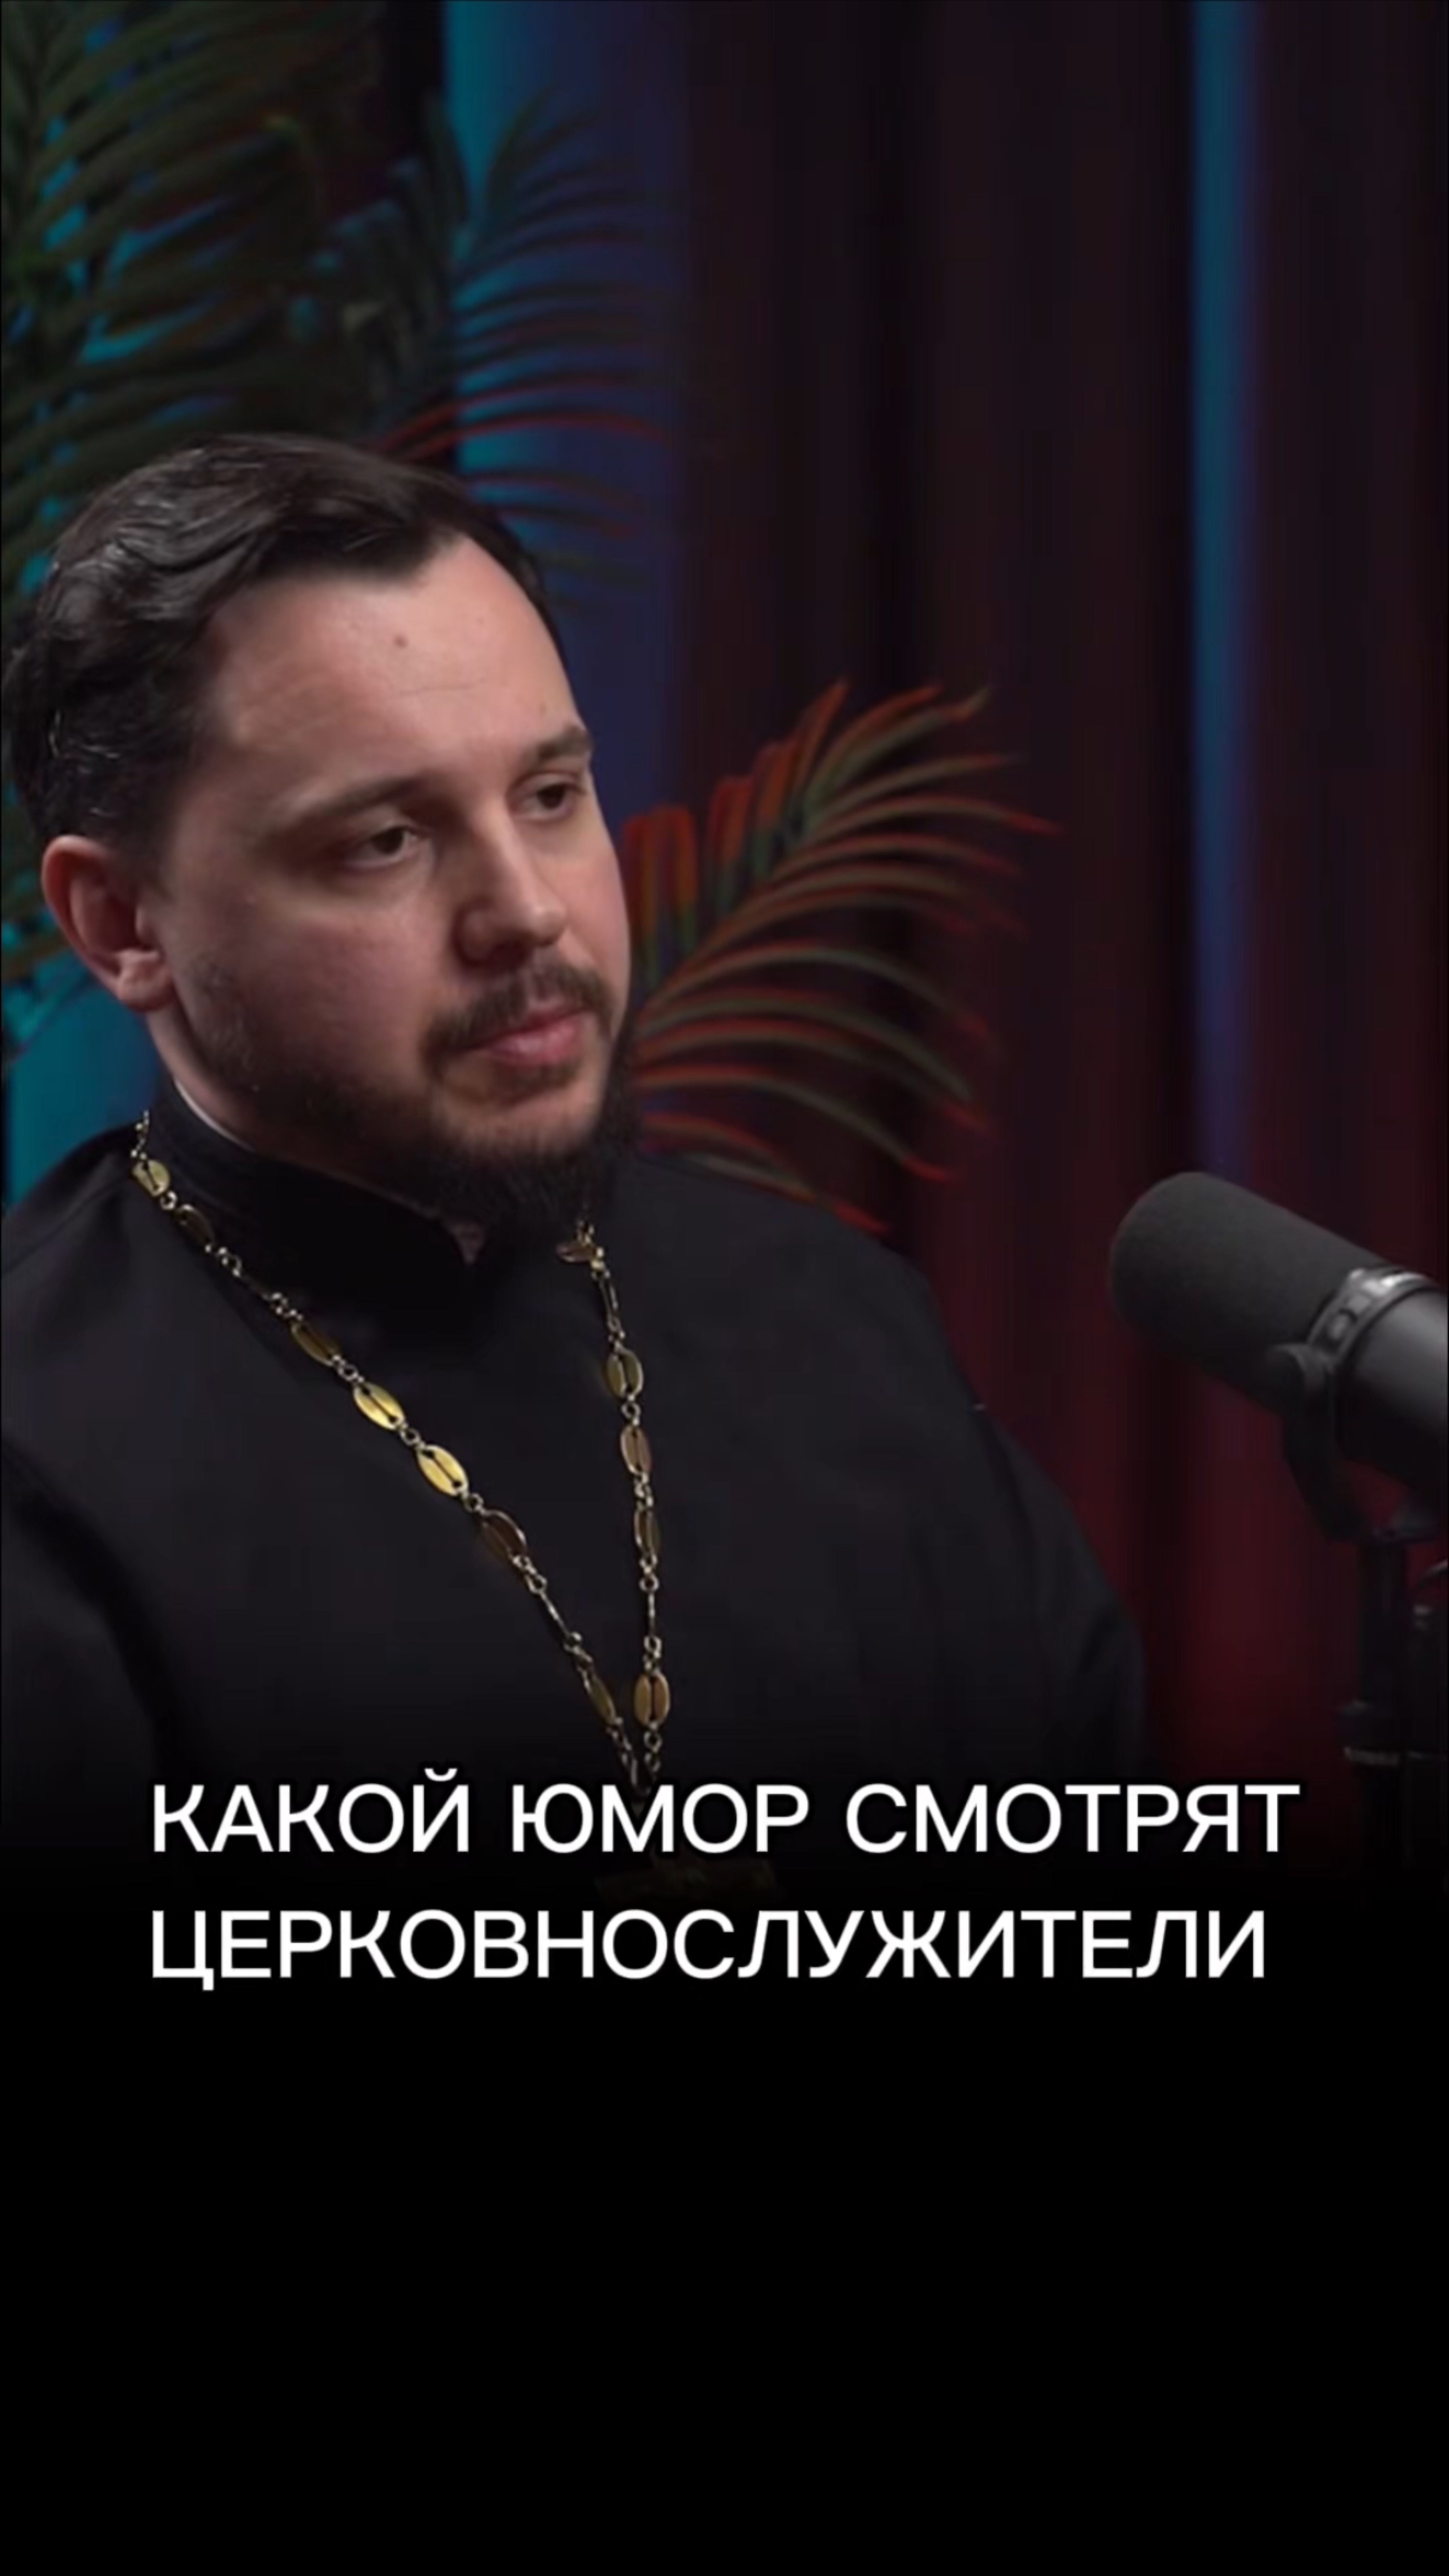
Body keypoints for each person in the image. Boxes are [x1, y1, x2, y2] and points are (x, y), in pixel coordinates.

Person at [2, 433, 1142, 1910]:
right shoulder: (38, 1455)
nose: (527, 913)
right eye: (385, 841)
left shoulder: (834, 1319)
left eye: (549, 796)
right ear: (121, 924)